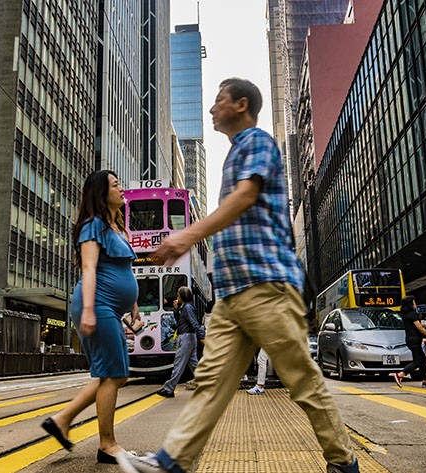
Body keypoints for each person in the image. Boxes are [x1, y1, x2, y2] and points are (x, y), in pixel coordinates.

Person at [118, 78, 358, 473]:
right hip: (232, 295)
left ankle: (343, 462)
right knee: (211, 382)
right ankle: (171, 463)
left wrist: (185, 237)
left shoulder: (258, 143)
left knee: (302, 380)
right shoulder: (234, 155)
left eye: (219, 100)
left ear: (241, 104)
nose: (212, 108)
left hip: (266, 286)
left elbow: (246, 196)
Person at [40, 170, 141, 464]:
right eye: (115, 185)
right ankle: (107, 445)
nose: (122, 189)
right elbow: (89, 268)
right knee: (112, 374)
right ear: (100, 193)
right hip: (97, 304)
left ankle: (61, 420)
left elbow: (122, 268)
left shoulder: (115, 225)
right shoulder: (92, 226)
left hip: (111, 307)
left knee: (116, 374)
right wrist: (87, 311)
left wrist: (132, 303)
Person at [158, 287, 203, 398]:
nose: (177, 297)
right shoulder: (186, 307)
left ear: (182, 296)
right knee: (194, 365)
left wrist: (202, 336)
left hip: (186, 338)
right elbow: (180, 322)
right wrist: (176, 309)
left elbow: (195, 323)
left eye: (178, 295)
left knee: (179, 363)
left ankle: (169, 389)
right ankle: (208, 384)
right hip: (189, 337)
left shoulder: (187, 307)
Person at [392, 295, 426, 389]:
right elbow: (419, 328)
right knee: (418, 361)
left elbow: (415, 326)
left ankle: (425, 380)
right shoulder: (412, 314)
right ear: (410, 304)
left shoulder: (406, 314)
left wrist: (422, 325)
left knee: (422, 360)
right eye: (414, 302)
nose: (415, 304)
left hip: (411, 340)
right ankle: (400, 375)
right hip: (414, 340)